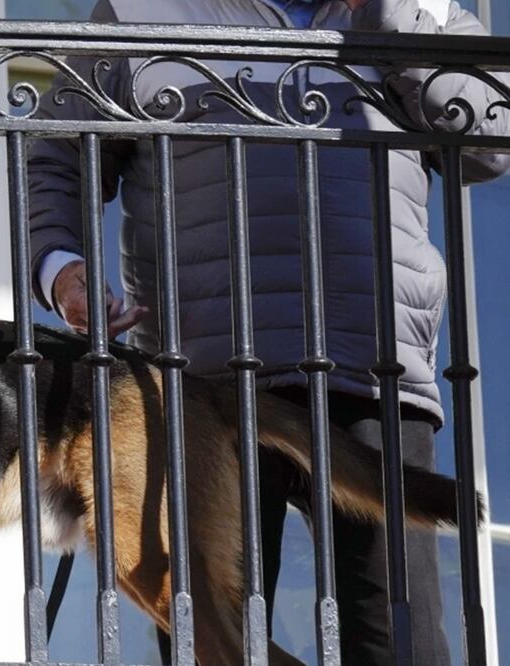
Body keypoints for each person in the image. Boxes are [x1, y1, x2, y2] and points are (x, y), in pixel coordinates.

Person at [27, 0, 510, 663]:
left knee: (400, 641)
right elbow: (58, 152)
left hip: (372, 367)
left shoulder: (418, 7)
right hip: (200, 379)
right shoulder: (142, 8)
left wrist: (399, 12)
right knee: (216, 639)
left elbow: (490, 141)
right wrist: (63, 269)